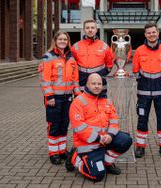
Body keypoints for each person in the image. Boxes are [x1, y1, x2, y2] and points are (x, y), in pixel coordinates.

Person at [66, 73, 133, 182]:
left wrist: (110, 135)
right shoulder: (78, 102)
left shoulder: (107, 101)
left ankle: (106, 162)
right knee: (98, 175)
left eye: (99, 84)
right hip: (88, 145)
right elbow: (80, 129)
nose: (97, 86)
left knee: (126, 140)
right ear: (87, 84)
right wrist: (99, 138)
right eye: (93, 83)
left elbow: (114, 120)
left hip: (105, 140)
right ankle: (75, 158)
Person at [38, 30, 80, 165]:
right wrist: (49, 96)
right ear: (55, 41)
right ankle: (53, 153)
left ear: (68, 42)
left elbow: (75, 78)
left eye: (65, 39)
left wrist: (77, 95)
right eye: (60, 39)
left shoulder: (71, 58)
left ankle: (62, 151)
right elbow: (45, 79)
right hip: (54, 98)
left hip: (68, 97)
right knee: (54, 126)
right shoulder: (48, 57)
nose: (63, 41)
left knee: (64, 125)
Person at [132, 23, 161, 158]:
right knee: (142, 119)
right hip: (143, 94)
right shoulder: (139, 51)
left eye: (153, 32)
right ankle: (140, 147)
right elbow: (135, 71)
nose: (151, 35)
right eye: (149, 33)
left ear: (158, 32)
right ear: (145, 34)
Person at [71, 19, 114, 97]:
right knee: (82, 106)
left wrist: (99, 75)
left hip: (99, 80)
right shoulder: (75, 46)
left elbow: (109, 66)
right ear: (84, 30)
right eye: (87, 28)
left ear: (96, 30)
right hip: (82, 80)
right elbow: (71, 66)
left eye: (92, 28)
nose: (90, 30)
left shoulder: (104, 46)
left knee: (100, 105)